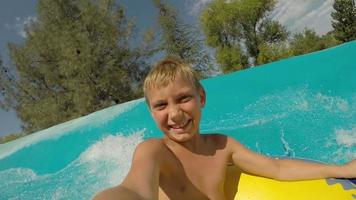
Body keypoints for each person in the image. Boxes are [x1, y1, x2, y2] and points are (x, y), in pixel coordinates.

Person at [93, 57, 356, 200]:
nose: (174, 113)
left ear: (202, 97)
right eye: (161, 105)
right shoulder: (154, 152)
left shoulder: (222, 146)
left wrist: (341, 169)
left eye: (184, 98)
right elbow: (135, 190)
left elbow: (277, 168)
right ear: (151, 113)